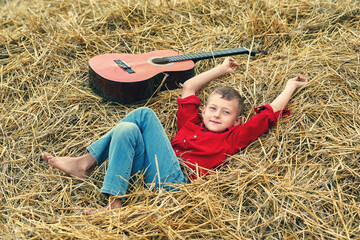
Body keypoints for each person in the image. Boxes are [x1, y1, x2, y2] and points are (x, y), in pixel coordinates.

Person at [42, 57, 307, 214]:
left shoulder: (233, 137)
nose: (216, 115)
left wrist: (290, 85)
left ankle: (85, 162)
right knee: (127, 128)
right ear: (203, 111)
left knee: (144, 115)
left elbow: (269, 113)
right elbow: (189, 86)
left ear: (237, 121)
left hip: (174, 182)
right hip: (146, 173)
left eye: (225, 113)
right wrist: (222, 68)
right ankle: (115, 204)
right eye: (212, 109)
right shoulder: (190, 123)